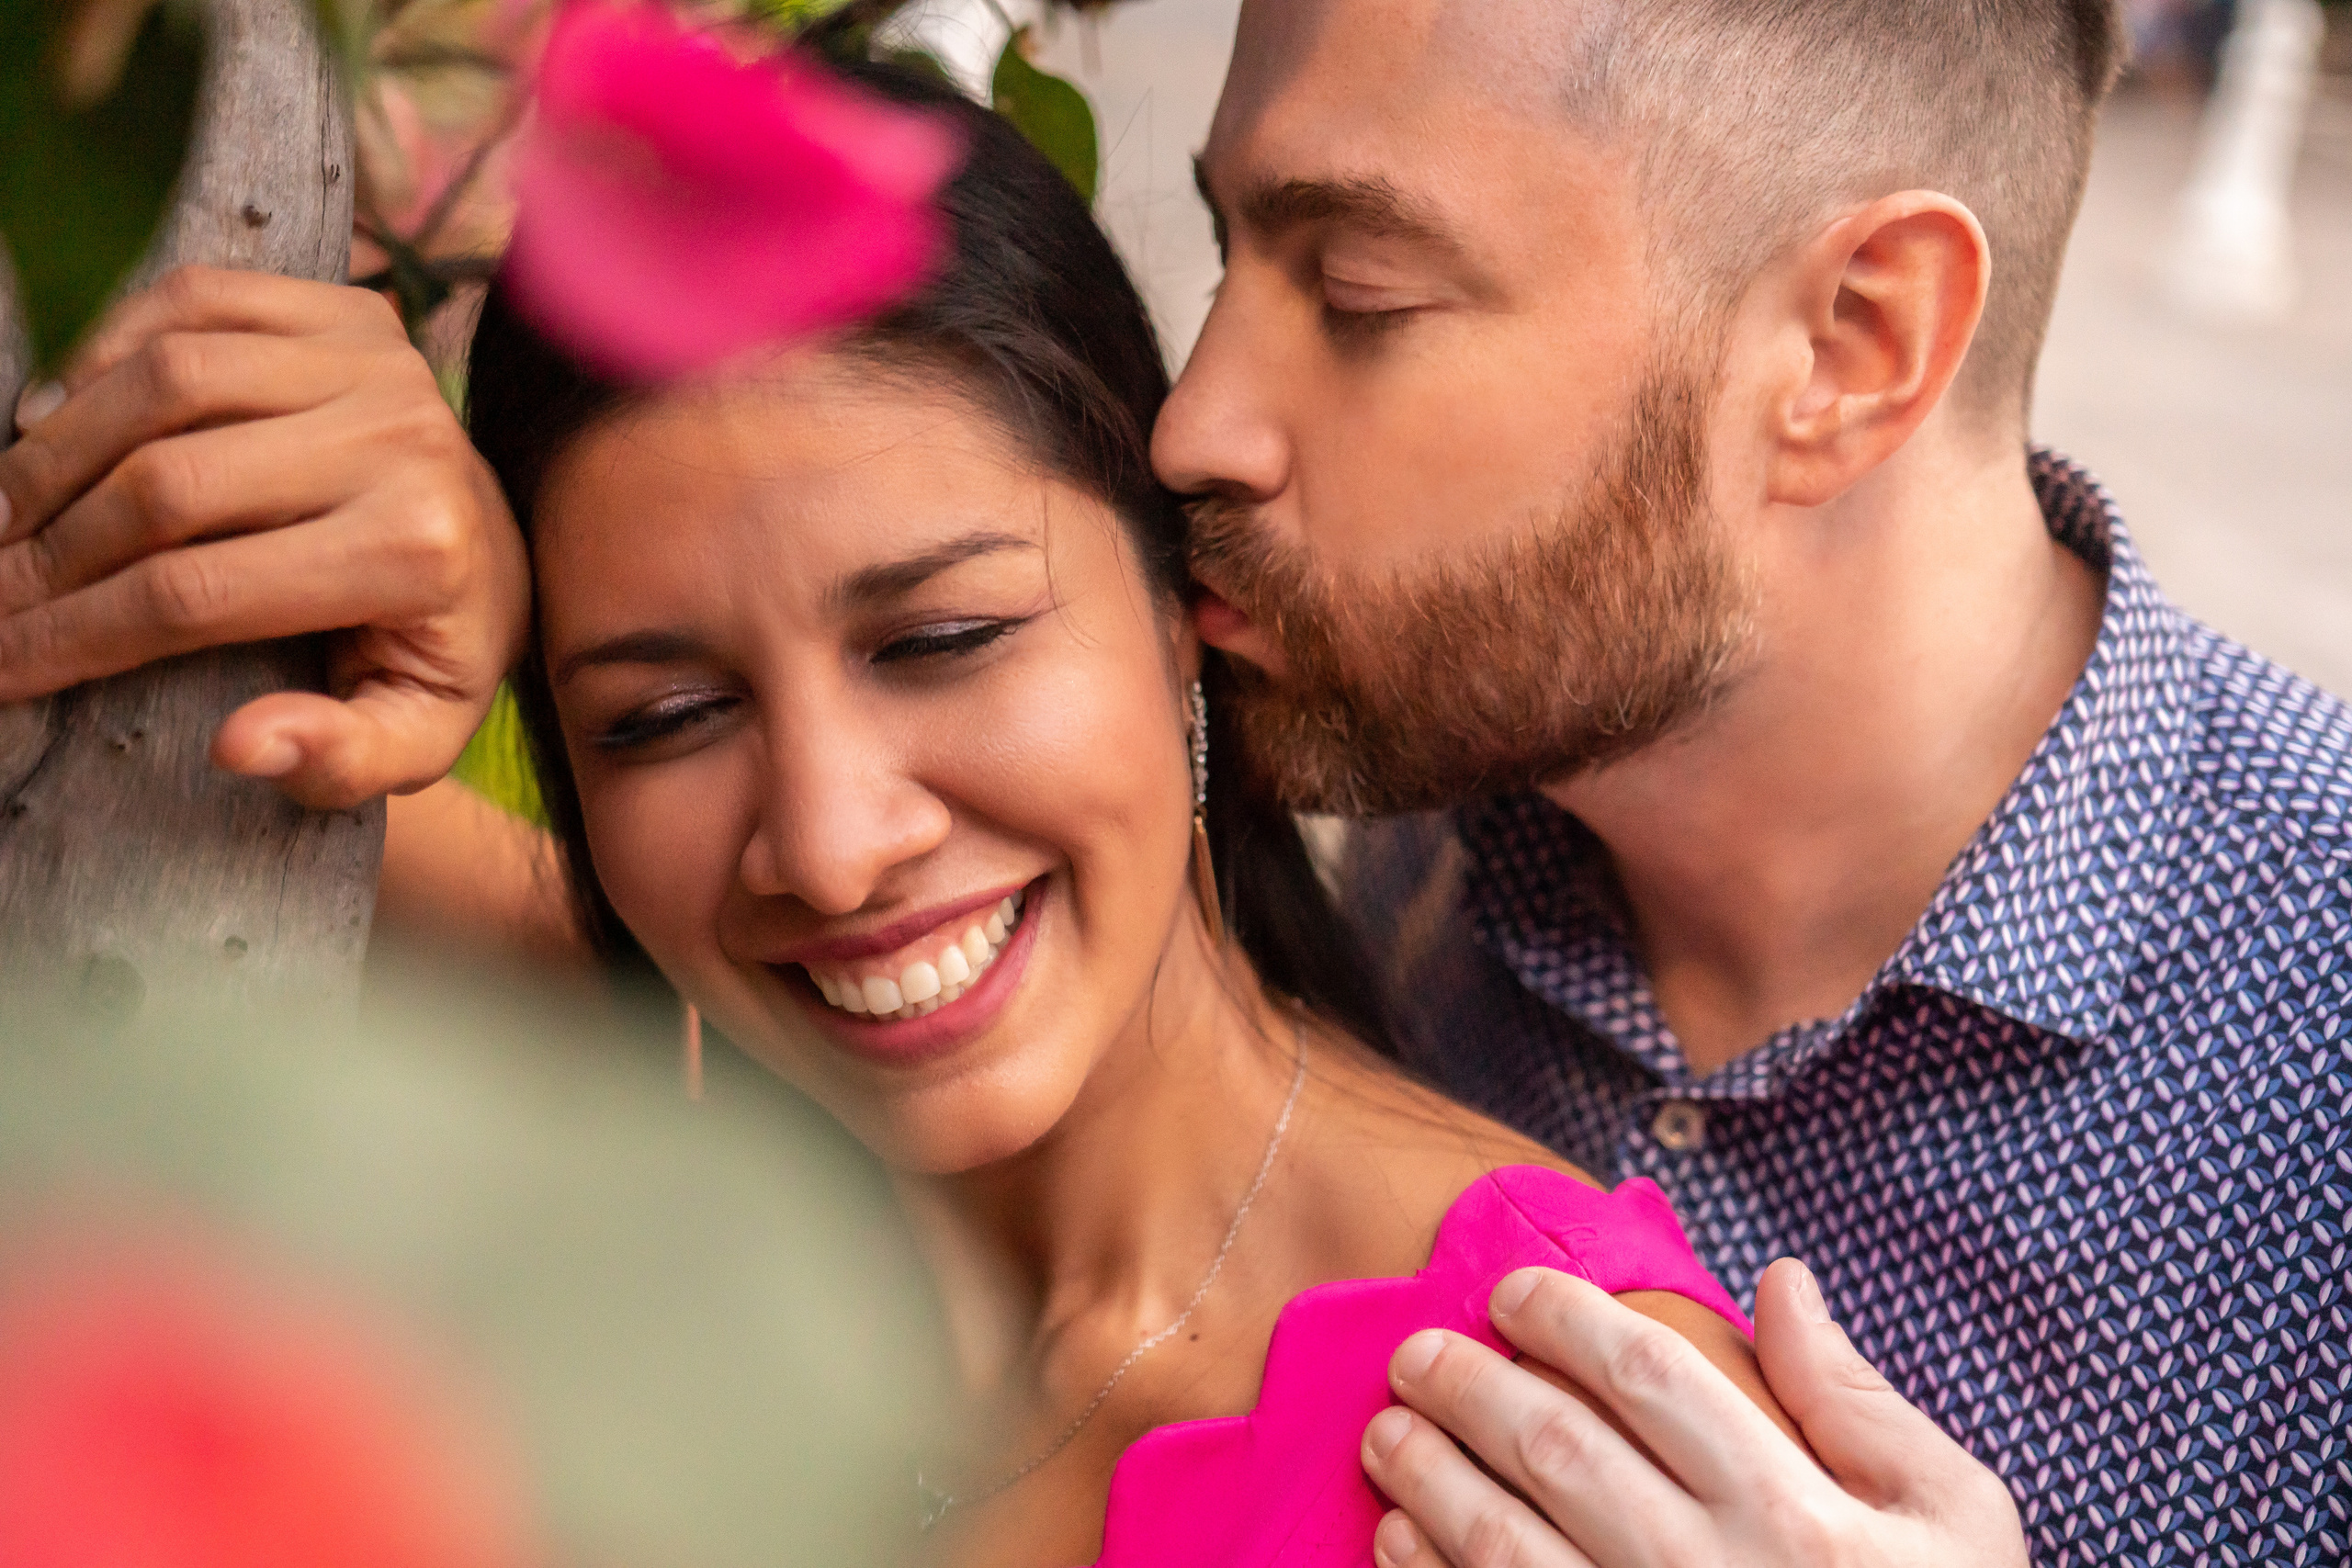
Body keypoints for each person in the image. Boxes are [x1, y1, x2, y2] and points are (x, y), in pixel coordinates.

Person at [4, 2, 2346, 1566]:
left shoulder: (2290, 1057)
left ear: (1845, 352)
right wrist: (288, 567)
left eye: (1356, 287)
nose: (1199, 423)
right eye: (1227, 248)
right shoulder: (1454, 784)